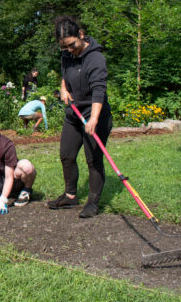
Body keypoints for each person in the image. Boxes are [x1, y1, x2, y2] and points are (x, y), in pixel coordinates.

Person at [47, 16, 112, 218]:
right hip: (73, 114)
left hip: (95, 115)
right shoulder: (67, 55)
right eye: (64, 47)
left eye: (72, 45)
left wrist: (93, 119)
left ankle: (93, 203)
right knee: (67, 155)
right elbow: (65, 75)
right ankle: (70, 196)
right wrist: (63, 89)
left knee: (93, 160)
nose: (69, 50)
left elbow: (99, 91)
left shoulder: (96, 59)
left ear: (81, 35)